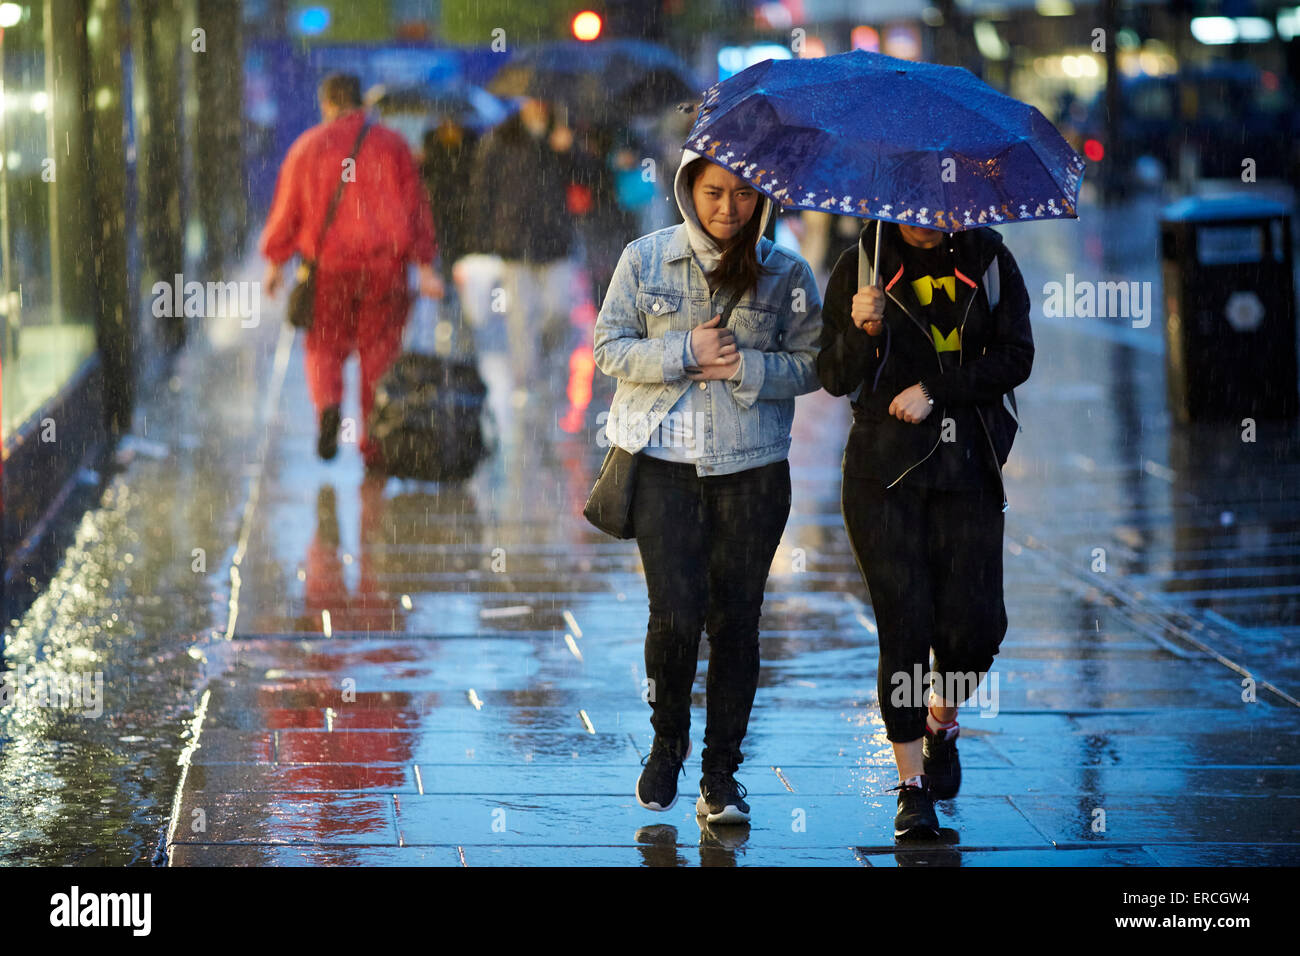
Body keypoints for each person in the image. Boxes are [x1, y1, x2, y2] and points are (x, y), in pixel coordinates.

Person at [593, 149, 823, 824]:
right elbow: (609, 346)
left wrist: (746, 367)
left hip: (751, 472)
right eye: (715, 192)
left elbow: (813, 365)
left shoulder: (787, 273)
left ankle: (721, 772)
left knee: (736, 623)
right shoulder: (645, 258)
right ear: (689, 186)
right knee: (673, 616)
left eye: (746, 195)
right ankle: (668, 742)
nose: (729, 209)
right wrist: (682, 354)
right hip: (661, 468)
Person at [816, 218, 1033, 840]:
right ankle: (912, 789)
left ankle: (941, 718)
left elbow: (1016, 356)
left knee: (976, 628)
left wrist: (935, 389)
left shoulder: (988, 256)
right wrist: (863, 331)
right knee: (905, 625)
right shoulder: (863, 259)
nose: (928, 216)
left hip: (968, 465)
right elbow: (832, 376)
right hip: (883, 475)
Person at [260, 73, 443, 472]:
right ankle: (372, 443)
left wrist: (276, 262)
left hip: (328, 270)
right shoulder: (392, 145)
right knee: (378, 355)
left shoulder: (307, 148)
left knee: (323, 347)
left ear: (327, 104)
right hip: (384, 271)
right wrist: (425, 265)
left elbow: (287, 209)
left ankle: (328, 406)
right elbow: (415, 208)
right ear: (362, 104)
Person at [467, 97, 578, 395]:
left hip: (555, 238)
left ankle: (548, 363)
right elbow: (483, 186)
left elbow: (587, 179)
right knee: (521, 314)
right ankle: (527, 379)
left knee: (559, 309)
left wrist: (569, 152)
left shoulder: (562, 134)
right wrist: (484, 233)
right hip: (514, 237)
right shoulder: (502, 137)